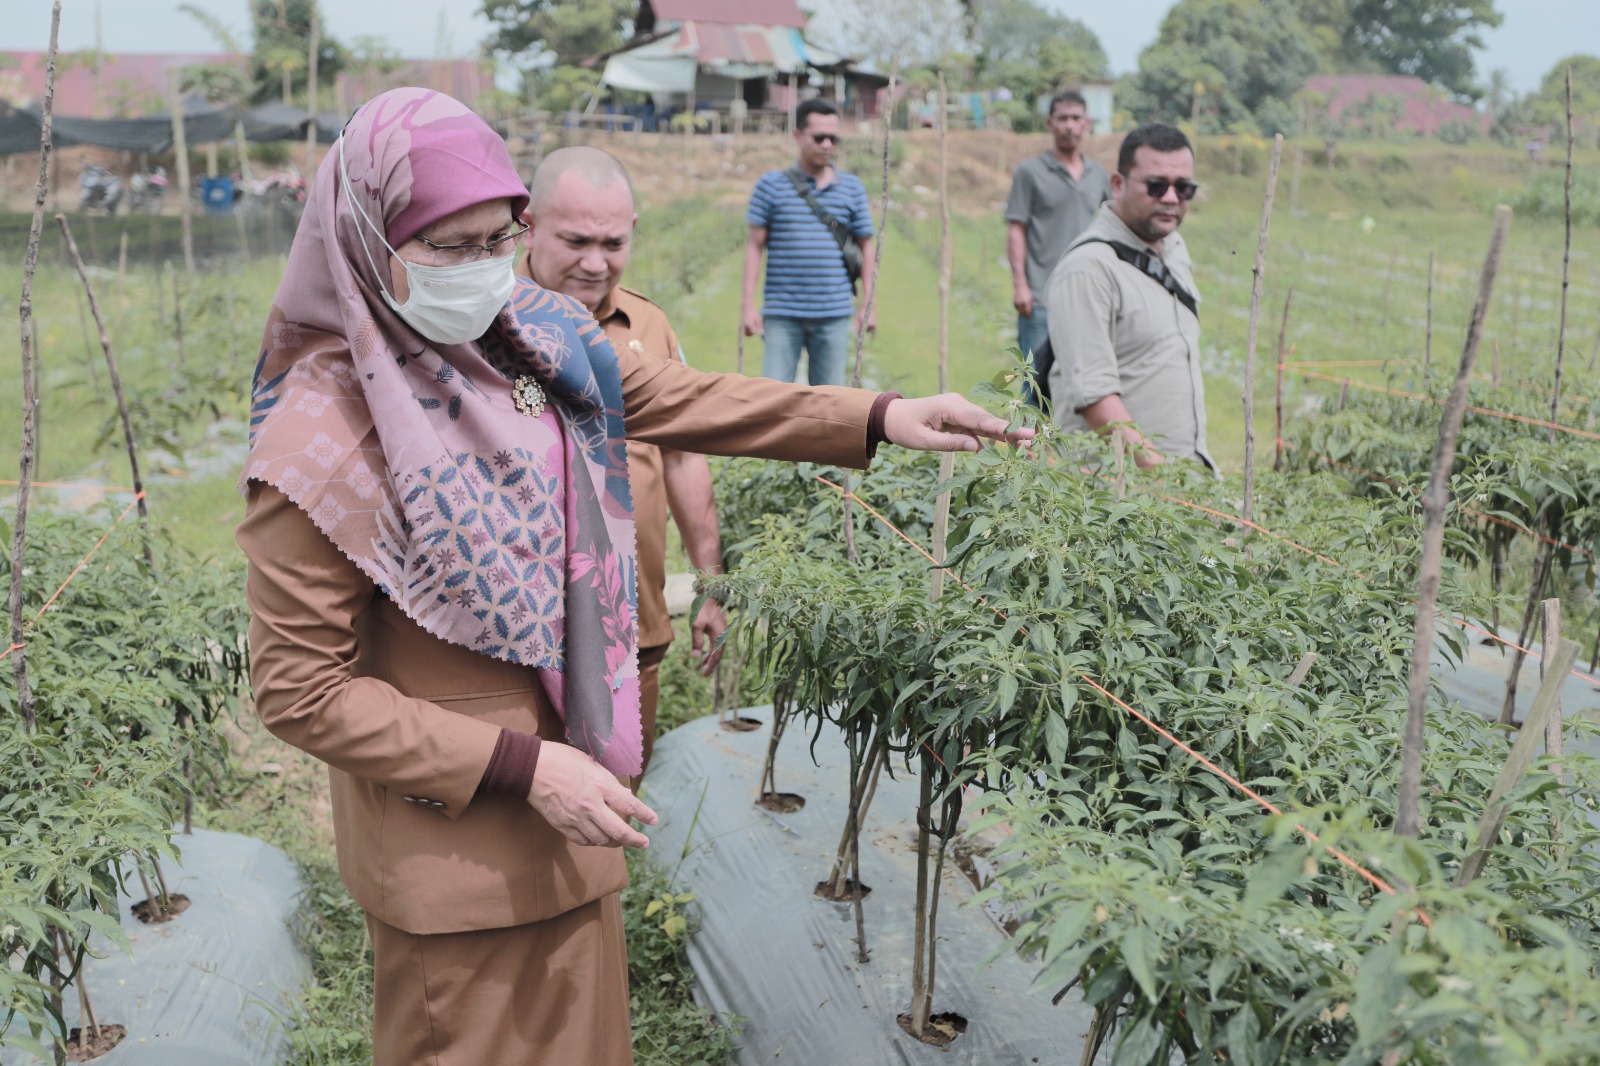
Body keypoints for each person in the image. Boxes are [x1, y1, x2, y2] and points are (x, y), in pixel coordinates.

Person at [235, 87, 1029, 1066]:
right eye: (448, 246)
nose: (484, 270)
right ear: (365, 238)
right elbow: (300, 691)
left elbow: (674, 394)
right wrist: (525, 766)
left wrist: (874, 416)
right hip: (458, 858)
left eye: (498, 238)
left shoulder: (522, 336)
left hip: (577, 824)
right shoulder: (318, 442)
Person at [518, 145, 725, 790]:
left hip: (633, 616)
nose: (594, 263)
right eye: (575, 240)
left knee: (618, 787)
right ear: (528, 222)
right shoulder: (482, 324)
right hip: (524, 626)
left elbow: (684, 454)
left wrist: (711, 580)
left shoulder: (649, 326)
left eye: (612, 243)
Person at [1046, 122, 1214, 470]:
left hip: (1175, 490)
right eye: (1156, 186)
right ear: (1118, 184)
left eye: (1183, 188)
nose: (1170, 198)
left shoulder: (1174, 249)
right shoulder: (1089, 268)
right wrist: (1165, 478)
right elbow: (1095, 397)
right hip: (1118, 498)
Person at [741, 97, 876, 386]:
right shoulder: (770, 185)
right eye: (819, 137)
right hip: (781, 313)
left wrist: (868, 304)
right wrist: (748, 306)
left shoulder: (852, 188)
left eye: (833, 138)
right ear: (797, 135)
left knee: (829, 404)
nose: (827, 144)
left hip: (834, 314)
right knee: (775, 398)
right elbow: (755, 245)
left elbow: (866, 246)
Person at [1004, 89, 1113, 408]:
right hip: (1040, 297)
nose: (1070, 125)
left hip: (1086, 295)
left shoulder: (1098, 175)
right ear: (1049, 123)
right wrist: (1020, 284)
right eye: (1063, 118)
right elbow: (1016, 229)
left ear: (1087, 124)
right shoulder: (1030, 172)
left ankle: (1063, 456)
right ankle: (1025, 454)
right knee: (1035, 387)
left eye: (1076, 118)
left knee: (1084, 382)